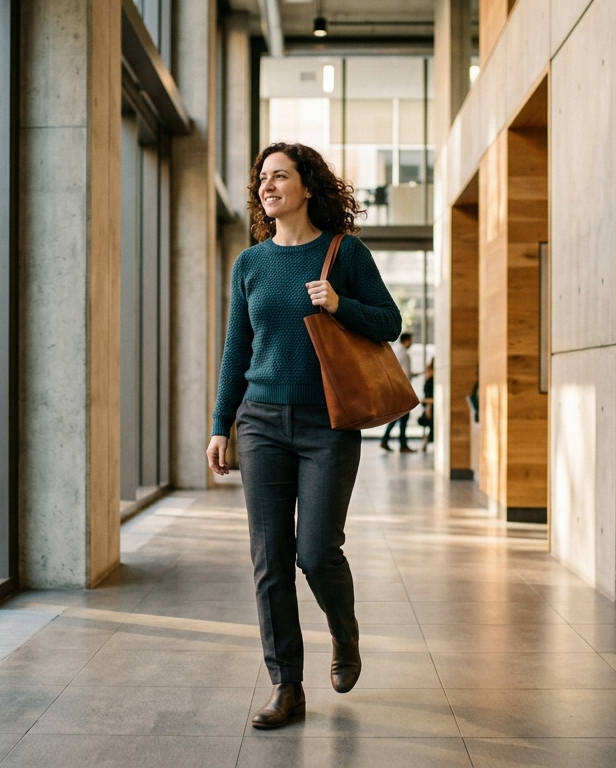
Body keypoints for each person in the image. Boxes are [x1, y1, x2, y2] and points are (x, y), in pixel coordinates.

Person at [206, 142, 402, 730]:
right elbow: (236, 351)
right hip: (262, 421)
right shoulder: (250, 264)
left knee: (315, 551)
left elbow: (390, 322)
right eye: (263, 177)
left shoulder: (345, 253)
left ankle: (344, 633)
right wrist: (222, 424)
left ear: (307, 187)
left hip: (328, 423)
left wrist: (341, 304)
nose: (268, 185)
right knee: (270, 559)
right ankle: (286, 686)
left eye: (280, 175)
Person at [379, 332, 415, 452]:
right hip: (402, 390)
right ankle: (402, 444)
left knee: (397, 418)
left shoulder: (397, 351)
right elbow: (404, 373)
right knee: (402, 418)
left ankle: (386, 440)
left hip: (398, 389)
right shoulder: (403, 353)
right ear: (407, 340)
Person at [418, 357, 434, 450]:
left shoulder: (432, 380)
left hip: (430, 405)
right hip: (429, 405)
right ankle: (427, 440)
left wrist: (427, 404)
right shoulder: (429, 379)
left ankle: (427, 440)